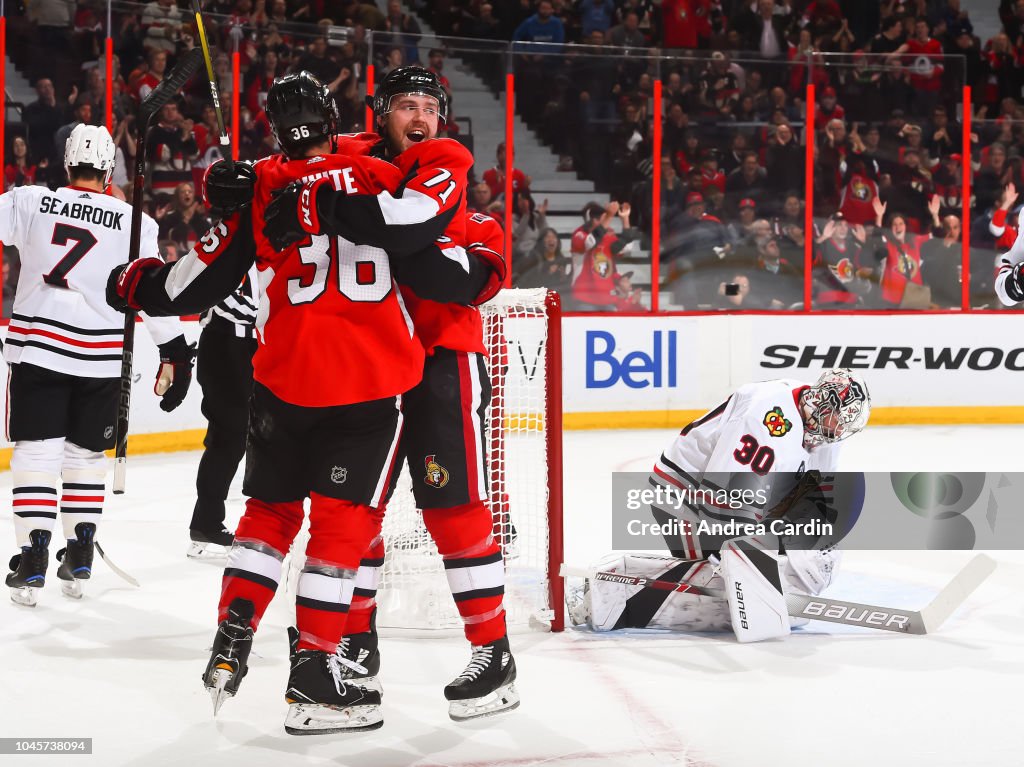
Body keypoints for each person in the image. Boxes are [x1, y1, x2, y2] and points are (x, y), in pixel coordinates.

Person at [105, 71, 473, 733]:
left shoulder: (260, 187)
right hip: (367, 384)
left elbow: (187, 285)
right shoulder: (377, 176)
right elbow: (417, 227)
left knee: (267, 514)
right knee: (339, 531)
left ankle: (232, 634)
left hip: (280, 384)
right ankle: (312, 678)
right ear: (337, 120)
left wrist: (134, 282)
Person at [267, 65, 516, 722]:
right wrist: (232, 178)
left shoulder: (453, 182)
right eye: (405, 104)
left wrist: (393, 240)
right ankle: (355, 643)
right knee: (354, 511)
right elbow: (294, 159)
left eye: (428, 107)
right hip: (369, 366)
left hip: (440, 367)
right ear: (381, 112)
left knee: (453, 510)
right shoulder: (354, 162)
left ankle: (494, 655)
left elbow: (451, 273)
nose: (418, 117)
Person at [3, 125, 193, 607]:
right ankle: (81, 550)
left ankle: (34, 555)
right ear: (110, 172)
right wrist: (174, 351)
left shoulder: (29, 202)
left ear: (66, 165)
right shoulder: (137, 223)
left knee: (37, 453)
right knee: (85, 457)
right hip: (103, 358)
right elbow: (151, 295)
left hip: (39, 350)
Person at [567, 369, 871, 642]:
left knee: (764, 558)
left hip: (738, 495)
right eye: (837, 419)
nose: (839, 429)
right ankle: (609, 595)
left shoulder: (823, 425)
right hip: (683, 495)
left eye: (846, 424)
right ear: (821, 403)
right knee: (719, 574)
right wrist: (739, 566)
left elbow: (815, 491)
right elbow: (725, 499)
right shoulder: (768, 420)